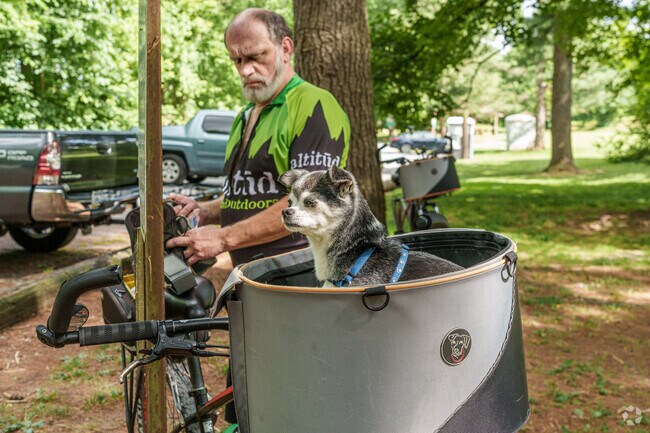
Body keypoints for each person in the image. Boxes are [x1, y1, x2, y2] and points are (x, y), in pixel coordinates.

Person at [166, 8, 350, 268]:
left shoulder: (315, 105)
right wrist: (204, 211)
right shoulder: (245, 115)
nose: (245, 70)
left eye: (255, 56)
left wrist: (223, 238)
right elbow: (251, 196)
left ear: (285, 48)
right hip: (255, 276)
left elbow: (310, 204)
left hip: (302, 274)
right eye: (237, 60)